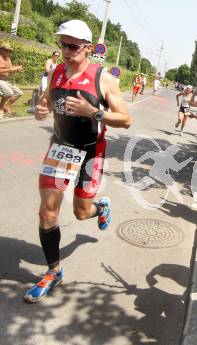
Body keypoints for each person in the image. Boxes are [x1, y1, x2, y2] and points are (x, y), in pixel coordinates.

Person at [24, 19, 131, 303]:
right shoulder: (57, 71)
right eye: (63, 44)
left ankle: (100, 207)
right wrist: (41, 110)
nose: (67, 50)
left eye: (73, 46)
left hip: (90, 151)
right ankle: (53, 271)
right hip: (60, 147)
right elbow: (45, 103)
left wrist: (92, 112)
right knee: (47, 211)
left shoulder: (102, 78)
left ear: (87, 48)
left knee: (81, 212)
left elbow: (126, 119)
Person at [0, 41, 23, 118]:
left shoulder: (8, 59)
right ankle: (0, 109)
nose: (8, 52)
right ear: (1, 50)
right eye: (6, 50)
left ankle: (6, 106)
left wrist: (16, 70)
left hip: (7, 81)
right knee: (9, 92)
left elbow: (10, 70)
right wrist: (10, 69)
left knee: (19, 93)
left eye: (10, 50)